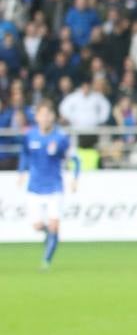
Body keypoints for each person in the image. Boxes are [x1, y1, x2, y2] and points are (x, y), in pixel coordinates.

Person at [18, 101, 78, 268]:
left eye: (48, 114)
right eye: (41, 115)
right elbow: (24, 155)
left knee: (54, 224)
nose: (45, 118)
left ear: (53, 117)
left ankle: (46, 261)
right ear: (37, 117)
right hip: (35, 187)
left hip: (54, 187)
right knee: (37, 225)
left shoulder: (60, 137)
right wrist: (21, 172)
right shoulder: (30, 136)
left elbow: (75, 159)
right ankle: (50, 236)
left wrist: (75, 178)